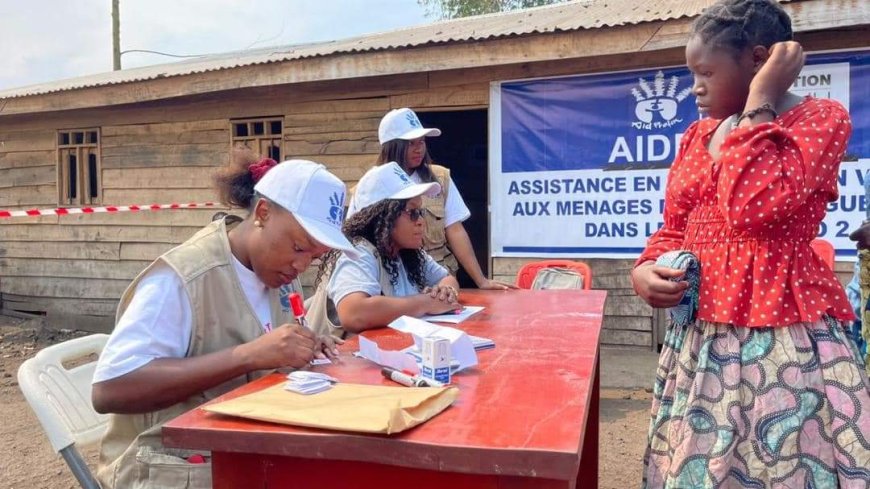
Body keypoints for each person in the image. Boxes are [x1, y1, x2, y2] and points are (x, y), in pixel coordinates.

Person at [629, 0, 870, 486]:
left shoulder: (819, 121)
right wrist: (646, 267)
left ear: (760, 60)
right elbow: (677, 225)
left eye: (706, 72)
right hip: (701, 340)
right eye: (691, 73)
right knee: (698, 465)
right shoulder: (697, 135)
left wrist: (759, 102)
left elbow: (754, 208)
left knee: (782, 463)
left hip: (783, 337)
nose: (694, 87)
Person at [91, 156, 358, 489]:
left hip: (240, 453)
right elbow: (109, 390)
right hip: (169, 468)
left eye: (314, 257)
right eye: (299, 247)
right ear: (262, 213)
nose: (302, 265)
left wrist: (304, 344)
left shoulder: (275, 273)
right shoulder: (186, 277)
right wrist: (249, 355)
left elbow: (265, 340)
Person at [352, 107, 514, 290]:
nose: (419, 149)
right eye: (411, 143)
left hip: (439, 279)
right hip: (392, 281)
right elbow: (355, 238)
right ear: (393, 147)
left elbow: (455, 230)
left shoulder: (440, 177)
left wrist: (481, 280)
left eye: (421, 142)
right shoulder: (371, 186)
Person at [315, 162, 461, 334]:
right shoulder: (358, 252)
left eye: (420, 212)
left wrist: (446, 292)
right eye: (412, 213)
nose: (421, 221)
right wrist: (426, 302)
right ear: (383, 217)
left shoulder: (409, 253)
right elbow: (353, 313)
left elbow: (447, 278)